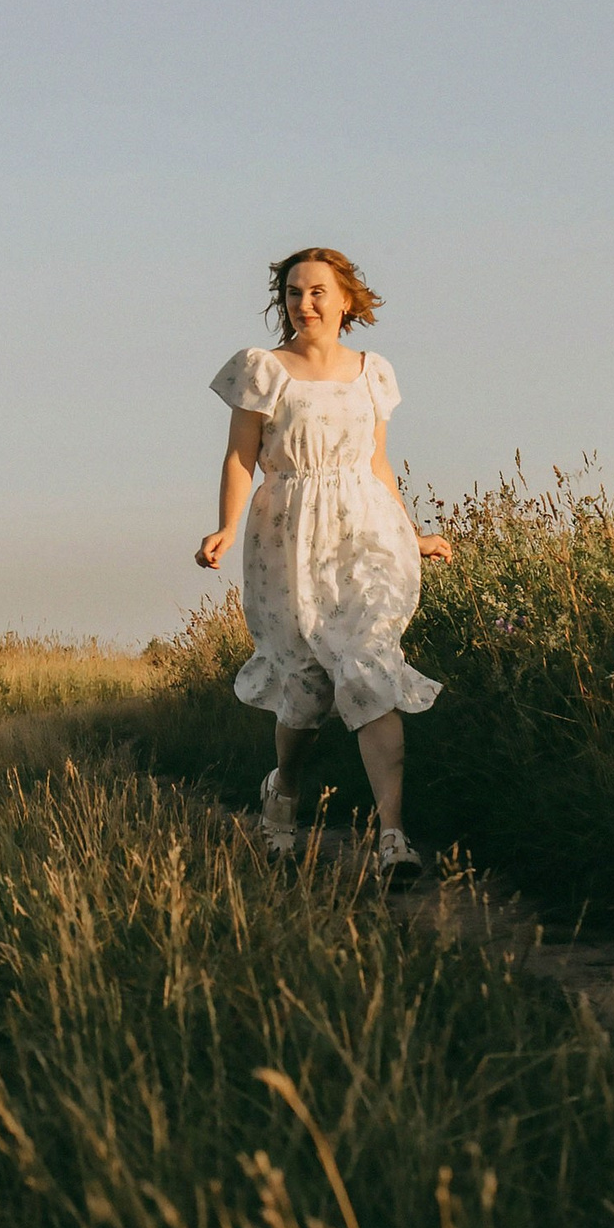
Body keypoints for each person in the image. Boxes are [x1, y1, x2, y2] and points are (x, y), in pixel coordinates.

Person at [195, 245, 453, 875]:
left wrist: (410, 533)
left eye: (316, 292)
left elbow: (376, 462)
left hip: (367, 532)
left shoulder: (374, 372)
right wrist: (226, 526)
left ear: (344, 301)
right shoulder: (262, 369)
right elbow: (240, 458)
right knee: (307, 687)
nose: (303, 303)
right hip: (289, 534)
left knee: (371, 665)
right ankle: (283, 789)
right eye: (292, 293)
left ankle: (393, 837)